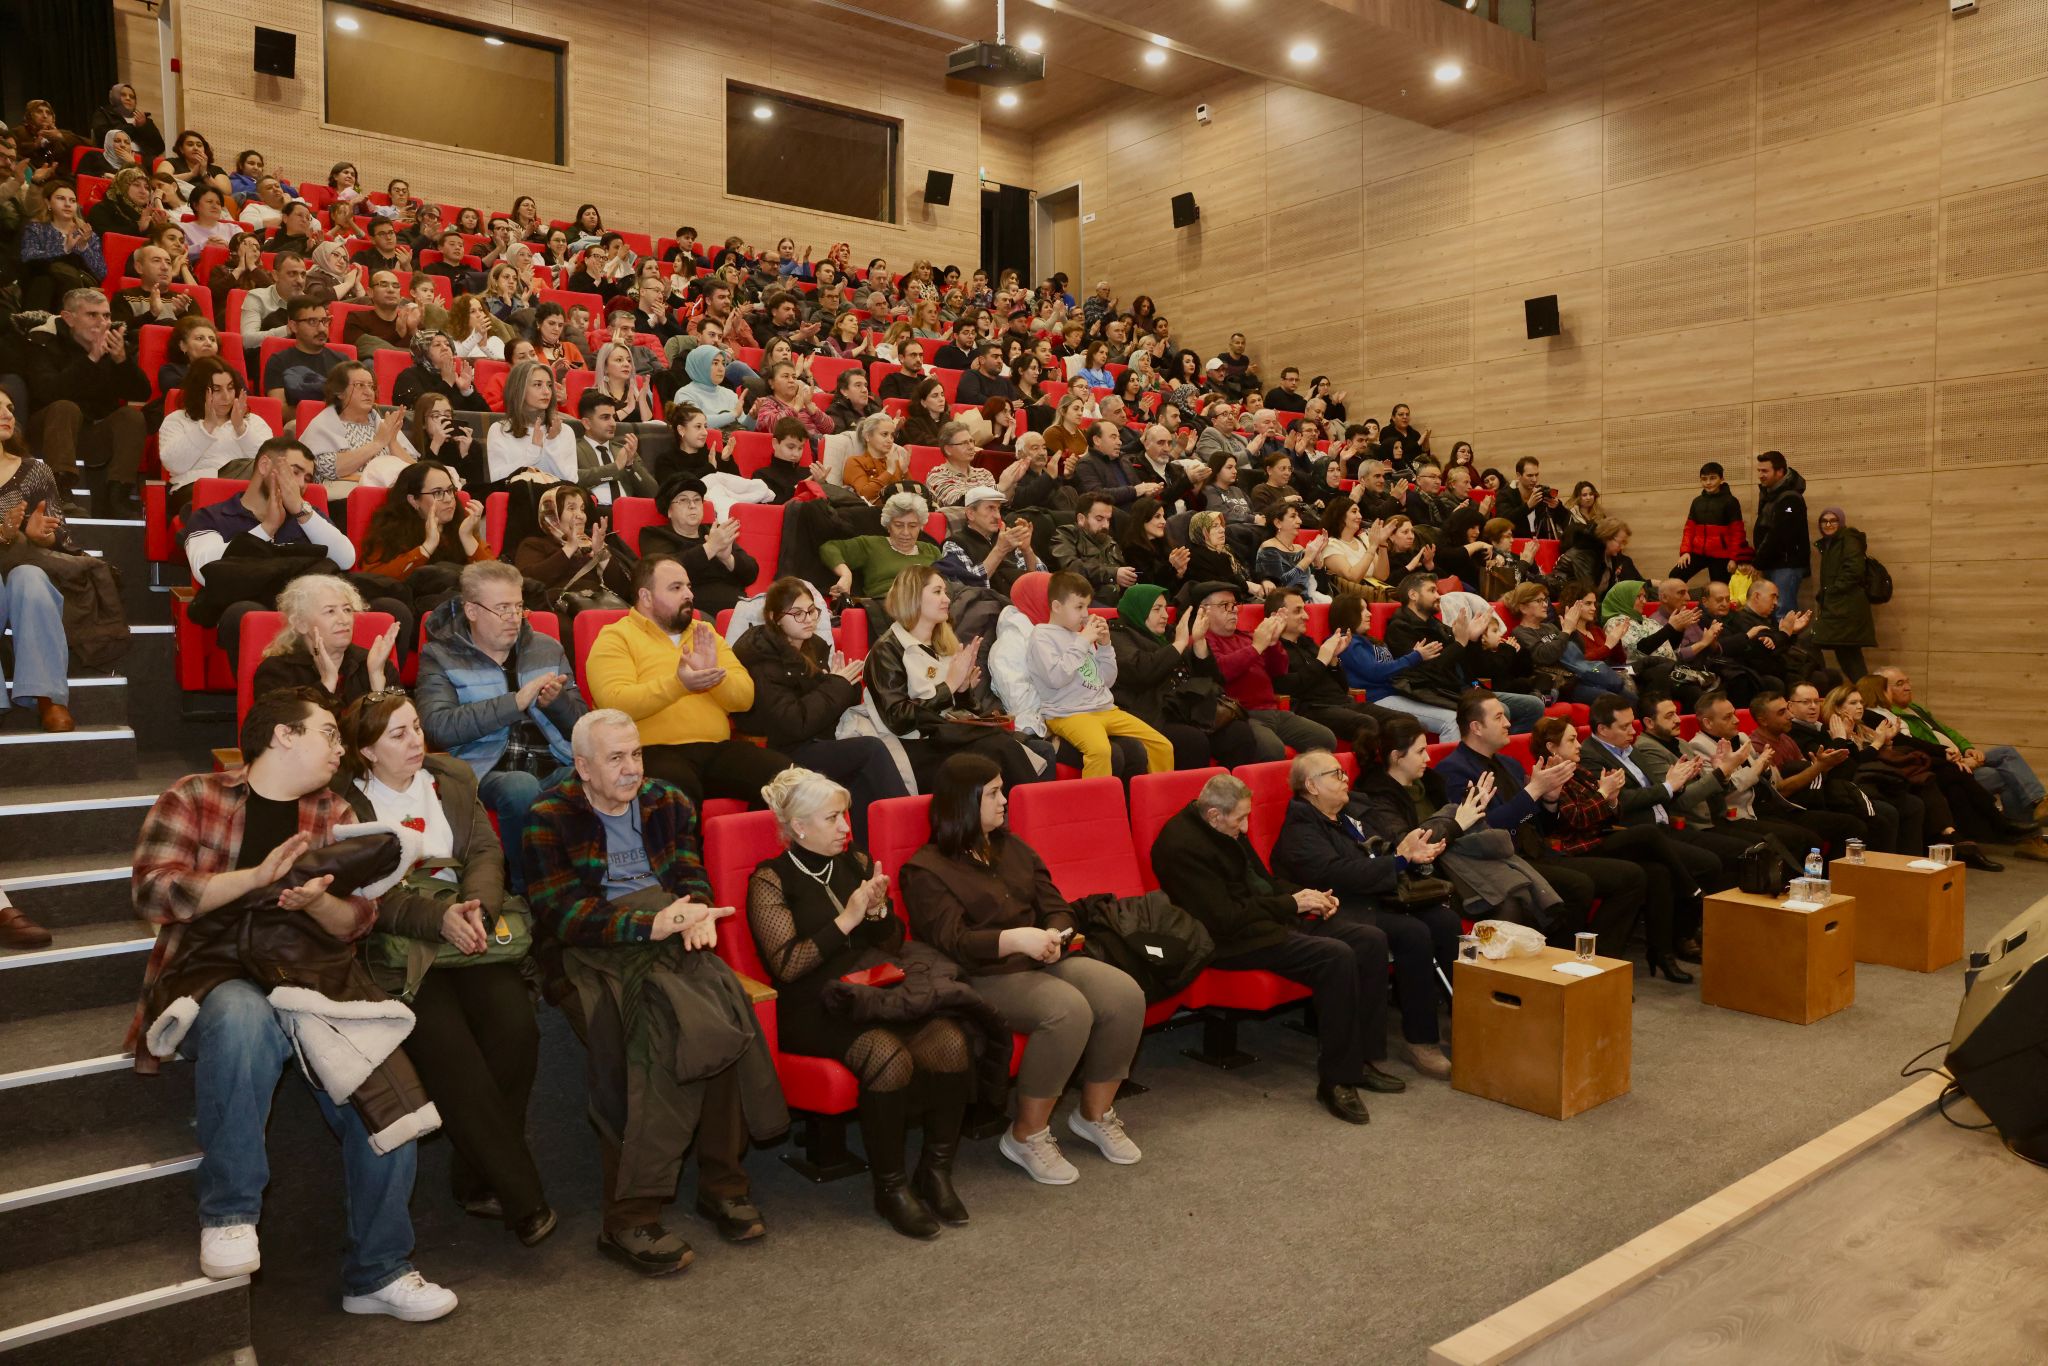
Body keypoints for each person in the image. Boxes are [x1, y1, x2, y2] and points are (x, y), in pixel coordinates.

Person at [129, 689, 459, 1320]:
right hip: (212, 974)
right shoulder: (195, 795)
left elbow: (358, 919)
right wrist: (254, 879)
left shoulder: (333, 810)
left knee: (386, 1085)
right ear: (283, 735)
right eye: (329, 733)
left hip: (308, 975)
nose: (340, 747)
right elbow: (153, 893)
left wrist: (317, 904)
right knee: (244, 1017)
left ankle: (379, 1272)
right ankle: (229, 1213)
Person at [522, 709, 787, 1272]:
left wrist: (695, 913)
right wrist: (646, 926)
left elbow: (690, 874)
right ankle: (628, 1218)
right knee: (638, 1041)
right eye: (616, 758)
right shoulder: (548, 814)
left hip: (668, 933)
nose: (631, 768)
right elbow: (561, 913)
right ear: (582, 767)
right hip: (589, 951)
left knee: (725, 1019)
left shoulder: (667, 801)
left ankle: (721, 1183)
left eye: (636, 754)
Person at [334, 692, 555, 1245]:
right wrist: (439, 919)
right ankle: (521, 1193)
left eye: (416, 728)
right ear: (366, 751)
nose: (417, 743)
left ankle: (476, 1176)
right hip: (403, 950)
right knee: (450, 1049)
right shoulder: (346, 804)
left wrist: (475, 907)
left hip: (470, 931)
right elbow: (362, 896)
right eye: (399, 735)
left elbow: (485, 852)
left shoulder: (450, 777)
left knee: (516, 1028)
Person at [745, 767, 976, 1237]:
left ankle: (935, 1172)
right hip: (812, 1006)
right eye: (833, 819)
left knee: (952, 1041)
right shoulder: (770, 880)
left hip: (872, 989)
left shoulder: (855, 862)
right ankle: (889, 1188)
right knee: (886, 1057)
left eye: (845, 817)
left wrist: (877, 913)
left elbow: (890, 944)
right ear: (800, 826)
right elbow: (787, 966)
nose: (846, 828)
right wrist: (847, 921)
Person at [901, 754, 1146, 1183]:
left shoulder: (1012, 847)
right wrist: (1015, 939)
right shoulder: (924, 869)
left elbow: (1058, 907)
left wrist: (1056, 935)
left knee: (1124, 994)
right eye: (993, 793)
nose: (1004, 801)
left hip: (1042, 957)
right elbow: (953, 942)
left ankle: (1094, 1114)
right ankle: (1027, 1134)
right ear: (964, 801)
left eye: (1002, 790)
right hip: (982, 974)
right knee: (1067, 1010)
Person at [1153, 771, 1407, 1122]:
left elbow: (1264, 883)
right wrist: (1292, 904)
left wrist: (1307, 896)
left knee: (1370, 939)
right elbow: (1224, 918)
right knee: (1335, 955)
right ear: (1214, 815)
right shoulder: (1181, 846)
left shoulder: (1222, 827)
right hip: (1230, 941)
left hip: (1263, 921)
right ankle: (1336, 1080)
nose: (1245, 828)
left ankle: (1360, 1059)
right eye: (1241, 819)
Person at [1273, 750, 1460, 1078]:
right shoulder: (1301, 828)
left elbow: (1382, 846)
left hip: (1375, 895)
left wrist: (1411, 852)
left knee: (1445, 921)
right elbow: (1338, 874)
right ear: (1311, 787)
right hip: (1339, 907)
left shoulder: (1350, 812)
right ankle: (1421, 1041)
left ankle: (1463, 1022)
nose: (1345, 778)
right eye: (1335, 774)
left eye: (1343, 773)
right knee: (1413, 933)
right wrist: (1399, 860)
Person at [1435, 691, 1659, 960]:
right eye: (1498, 717)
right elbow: (1483, 831)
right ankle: (1560, 965)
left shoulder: (1509, 764)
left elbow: (1541, 826)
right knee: (1579, 886)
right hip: (1502, 862)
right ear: (1476, 727)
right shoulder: (1454, 770)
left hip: (1537, 852)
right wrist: (1533, 791)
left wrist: (1550, 801)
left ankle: (1599, 962)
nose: (1508, 722)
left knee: (1631, 877)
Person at [415, 561, 585, 892]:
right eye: (503, 608)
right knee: (519, 787)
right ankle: (528, 890)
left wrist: (559, 704)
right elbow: (437, 728)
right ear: (472, 611)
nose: (514, 617)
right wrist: (515, 702)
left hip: (552, 759)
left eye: (519, 606)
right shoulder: (440, 656)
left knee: (594, 774)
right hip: (482, 767)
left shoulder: (547, 647)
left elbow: (581, 725)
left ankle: (590, 884)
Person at [585, 555, 792, 805]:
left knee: (790, 781)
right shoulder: (616, 637)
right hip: (651, 751)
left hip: (716, 749)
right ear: (646, 597)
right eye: (676, 588)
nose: (689, 595)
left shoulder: (705, 633)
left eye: (689, 586)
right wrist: (679, 685)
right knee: (677, 790)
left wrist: (714, 676)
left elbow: (745, 699)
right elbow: (615, 704)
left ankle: (764, 845)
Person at [1527, 715, 1705, 979]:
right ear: (1552, 747)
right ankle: (1690, 889)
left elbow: (1610, 815)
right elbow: (1574, 820)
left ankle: (1662, 953)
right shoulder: (1545, 777)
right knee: (1645, 835)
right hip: (1572, 849)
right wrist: (1603, 795)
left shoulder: (1580, 771)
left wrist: (1610, 800)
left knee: (1658, 872)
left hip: (1598, 839)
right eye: (1572, 739)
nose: (1579, 745)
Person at [861, 564, 1048, 790]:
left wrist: (963, 691)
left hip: (945, 734)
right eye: (937, 592)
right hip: (913, 745)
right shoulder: (886, 651)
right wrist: (949, 685)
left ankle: (1029, 813)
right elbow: (898, 719)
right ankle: (1035, 818)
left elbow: (958, 710)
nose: (947, 599)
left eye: (945, 592)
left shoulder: (942, 643)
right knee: (1001, 748)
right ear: (913, 597)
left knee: (1036, 748)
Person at [1867, 670, 2048, 856]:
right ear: (1881, 690)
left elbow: (1947, 731)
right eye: (1899, 684)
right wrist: (1956, 759)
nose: (1908, 687)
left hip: (1957, 758)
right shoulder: (1894, 716)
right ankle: (2034, 815)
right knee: (2005, 768)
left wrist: (1967, 748)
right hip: (1945, 765)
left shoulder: (1915, 709)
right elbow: (1921, 747)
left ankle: (2032, 825)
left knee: (2006, 762)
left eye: (1907, 681)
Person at [1028, 572, 1173, 779]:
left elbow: (1106, 680)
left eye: (1087, 606)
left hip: (1104, 708)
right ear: (1057, 606)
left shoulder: (1081, 635)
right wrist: (1083, 642)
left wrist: (1105, 646)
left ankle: (1157, 805)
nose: (1085, 614)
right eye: (1079, 607)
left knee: (1161, 745)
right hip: (1068, 713)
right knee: (1100, 751)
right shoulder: (1042, 635)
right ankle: (1096, 808)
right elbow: (1056, 678)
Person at [22, 286, 149, 514]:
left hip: (92, 437)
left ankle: (117, 495)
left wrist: (122, 360)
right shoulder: (42, 341)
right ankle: (59, 490)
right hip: (47, 436)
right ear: (68, 318)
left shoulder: (114, 346)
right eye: (92, 315)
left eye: (107, 315)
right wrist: (91, 359)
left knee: (131, 416)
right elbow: (47, 391)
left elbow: (141, 393)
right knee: (65, 407)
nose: (102, 322)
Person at [0, 391, 79, 733]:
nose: (7, 414)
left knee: (29, 578)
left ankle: (49, 698)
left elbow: (63, 536)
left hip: (24, 570)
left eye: (10, 408)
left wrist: (38, 535)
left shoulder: (35, 470)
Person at [1386, 573, 1544, 730]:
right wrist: (1461, 642)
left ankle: (1502, 746)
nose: (1438, 595)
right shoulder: (1400, 629)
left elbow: (1476, 666)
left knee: (1534, 706)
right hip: (1441, 691)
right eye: (1432, 591)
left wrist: (1472, 640)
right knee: (1502, 711)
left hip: (1470, 686)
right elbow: (1430, 672)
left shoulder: (1435, 624)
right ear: (1413, 595)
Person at [248, 573, 399, 714]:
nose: (344, 620)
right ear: (301, 624)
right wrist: (326, 685)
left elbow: (399, 732)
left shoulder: (376, 664)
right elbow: (283, 732)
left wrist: (377, 684)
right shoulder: (277, 671)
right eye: (330, 611)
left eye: (347, 610)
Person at [357, 460, 492, 601]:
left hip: (463, 601)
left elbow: (498, 580)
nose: (448, 499)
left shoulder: (462, 525)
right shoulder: (391, 529)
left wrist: (467, 537)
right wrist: (426, 548)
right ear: (414, 500)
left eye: (450, 490)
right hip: (414, 604)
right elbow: (375, 580)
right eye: (438, 492)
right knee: (439, 574)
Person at [158, 356, 273, 510]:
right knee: (251, 467)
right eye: (217, 390)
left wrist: (240, 428)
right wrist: (206, 427)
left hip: (243, 495)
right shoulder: (177, 420)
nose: (226, 396)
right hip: (193, 490)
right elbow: (174, 465)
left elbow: (269, 463)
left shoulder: (253, 422)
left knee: (263, 466)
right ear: (199, 391)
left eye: (230, 388)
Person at [299, 360, 418, 488]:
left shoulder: (384, 425)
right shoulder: (323, 425)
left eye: (371, 386)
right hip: (343, 500)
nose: (369, 392)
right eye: (360, 385)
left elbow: (416, 473)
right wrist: (377, 443)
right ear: (339, 392)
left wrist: (392, 441)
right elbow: (329, 469)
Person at [512, 482, 622, 605]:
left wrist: (601, 552)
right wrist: (569, 547)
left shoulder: (593, 544)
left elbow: (623, 591)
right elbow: (526, 584)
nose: (580, 515)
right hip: (560, 611)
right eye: (571, 508)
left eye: (582, 509)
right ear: (552, 514)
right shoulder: (533, 544)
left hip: (601, 608)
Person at [821, 490, 941, 601]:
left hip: (928, 607)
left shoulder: (931, 550)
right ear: (888, 525)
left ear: (921, 526)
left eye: (912, 526)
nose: (905, 532)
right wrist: (846, 574)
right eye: (898, 525)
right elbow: (829, 548)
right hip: (887, 606)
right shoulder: (871, 545)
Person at [1808, 506, 1875, 680]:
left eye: (1833, 520)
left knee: (1823, 644)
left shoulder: (1848, 539)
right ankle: (1865, 695)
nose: (1828, 524)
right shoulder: (1831, 543)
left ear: (1841, 522)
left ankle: (1864, 695)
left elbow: (1854, 570)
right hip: (1840, 606)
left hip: (1846, 607)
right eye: (1824, 521)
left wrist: (1831, 590)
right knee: (1848, 654)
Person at [485, 361, 577, 487]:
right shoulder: (500, 429)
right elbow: (498, 478)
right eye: (538, 385)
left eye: (549, 385)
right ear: (519, 389)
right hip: (519, 499)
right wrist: (534, 451)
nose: (547, 392)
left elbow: (571, 480)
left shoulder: (564, 431)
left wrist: (552, 442)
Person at [18, 182, 108, 311]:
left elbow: (101, 273)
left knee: (56, 275)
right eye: (61, 198)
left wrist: (84, 248)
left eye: (72, 200)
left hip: (79, 286)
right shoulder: (36, 229)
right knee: (45, 280)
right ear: (48, 203)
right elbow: (28, 257)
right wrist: (63, 249)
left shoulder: (87, 234)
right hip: (40, 284)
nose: (67, 204)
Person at [936, 485, 1038, 596]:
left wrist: (1027, 550)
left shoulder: (1006, 537)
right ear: (970, 513)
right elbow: (965, 586)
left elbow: (1037, 579)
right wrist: (999, 551)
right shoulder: (954, 544)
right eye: (990, 508)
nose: (998, 516)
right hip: (989, 607)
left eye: (998, 509)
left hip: (1024, 600)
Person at [262, 296, 351, 409]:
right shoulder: (279, 361)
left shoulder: (342, 362)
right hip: (297, 423)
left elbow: (352, 402)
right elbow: (278, 409)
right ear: (294, 326)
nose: (322, 329)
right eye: (312, 321)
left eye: (325, 321)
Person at [1752, 450, 1809, 622]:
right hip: (1774, 563)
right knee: (1773, 612)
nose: (1761, 475)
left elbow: (1780, 534)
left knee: (1783, 613)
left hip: (1786, 564)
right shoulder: (1771, 495)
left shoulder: (1790, 499)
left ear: (1780, 472)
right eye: (1759, 471)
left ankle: (1787, 648)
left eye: (1765, 471)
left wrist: (1758, 561)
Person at [1050, 492, 1134, 606]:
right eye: (1099, 519)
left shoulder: (1110, 542)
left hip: (1116, 601)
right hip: (1084, 600)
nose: (1105, 525)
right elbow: (1071, 568)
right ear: (1081, 519)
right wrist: (1112, 574)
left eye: (1108, 520)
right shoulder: (1067, 534)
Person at [1672, 462, 1749, 584]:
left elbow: (1737, 533)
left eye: (1712, 478)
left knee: (1719, 588)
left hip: (1721, 555)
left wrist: (1734, 558)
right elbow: (1689, 529)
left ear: (1721, 479)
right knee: (1675, 576)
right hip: (1698, 553)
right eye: (1704, 479)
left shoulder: (1730, 501)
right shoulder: (1697, 502)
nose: (1708, 482)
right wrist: (1685, 552)